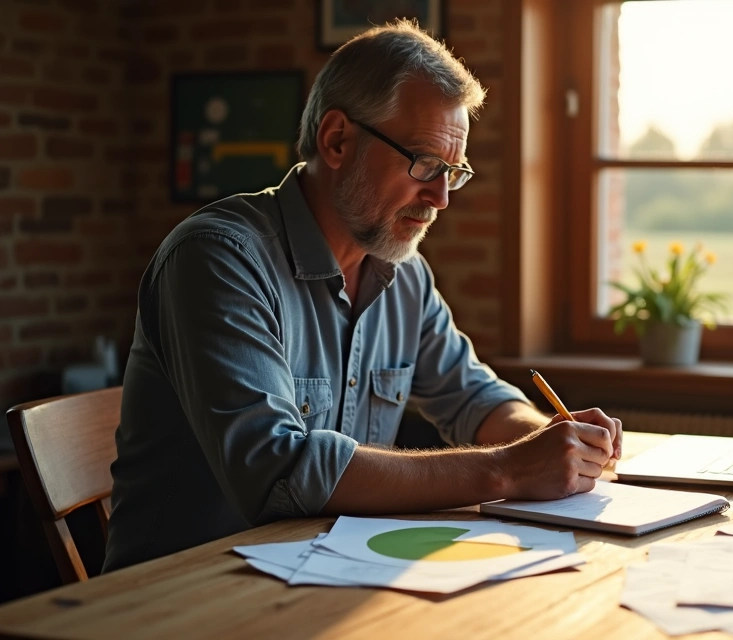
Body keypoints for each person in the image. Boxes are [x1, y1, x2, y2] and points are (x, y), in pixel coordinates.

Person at [102, 20, 622, 573]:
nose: (441, 198)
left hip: (325, 578)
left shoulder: (406, 276)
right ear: (336, 140)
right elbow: (278, 469)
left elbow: (474, 399)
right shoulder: (218, 258)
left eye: (454, 172)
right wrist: (509, 470)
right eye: (424, 162)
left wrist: (553, 438)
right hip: (179, 600)